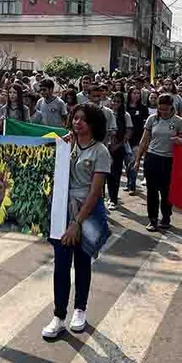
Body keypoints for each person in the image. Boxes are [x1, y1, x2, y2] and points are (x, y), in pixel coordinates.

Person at [42, 103, 111, 339]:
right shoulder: (67, 144)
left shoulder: (100, 151)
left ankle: (80, 309)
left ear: (93, 124)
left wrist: (77, 223)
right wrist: (61, 145)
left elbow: (95, 193)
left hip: (86, 212)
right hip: (61, 209)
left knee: (82, 263)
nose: (77, 122)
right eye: (75, 118)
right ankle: (58, 316)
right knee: (61, 265)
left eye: (83, 119)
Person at [133, 94, 182, 232]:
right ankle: (153, 219)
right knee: (152, 191)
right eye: (160, 109)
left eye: (166, 109)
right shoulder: (152, 119)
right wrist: (138, 160)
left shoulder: (178, 121)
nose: (163, 112)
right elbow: (144, 139)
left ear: (171, 107)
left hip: (169, 160)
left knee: (166, 191)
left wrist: (180, 141)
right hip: (152, 158)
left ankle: (166, 216)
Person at [106, 92, 132, 210]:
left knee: (115, 174)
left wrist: (118, 144)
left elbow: (128, 132)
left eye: (118, 102)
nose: (115, 103)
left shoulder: (125, 115)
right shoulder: (107, 113)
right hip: (106, 148)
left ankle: (113, 199)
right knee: (105, 174)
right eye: (114, 101)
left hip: (118, 148)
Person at [125, 86, 149, 194]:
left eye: (138, 93)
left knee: (134, 161)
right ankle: (129, 181)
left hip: (138, 138)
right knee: (127, 162)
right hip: (125, 138)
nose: (136, 95)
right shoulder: (125, 107)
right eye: (134, 93)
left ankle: (132, 185)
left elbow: (146, 124)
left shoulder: (143, 108)